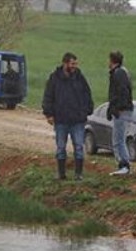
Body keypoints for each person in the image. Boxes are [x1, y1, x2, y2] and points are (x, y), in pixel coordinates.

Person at [42, 52, 94, 180]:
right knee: (60, 147)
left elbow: (87, 95)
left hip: (77, 120)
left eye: (76, 64)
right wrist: (49, 114)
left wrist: (87, 111)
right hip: (61, 120)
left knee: (78, 147)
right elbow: (48, 96)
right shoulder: (54, 78)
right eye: (72, 63)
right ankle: (61, 173)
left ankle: (78, 174)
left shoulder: (80, 78)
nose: (74, 66)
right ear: (65, 63)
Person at [107, 51, 134, 176]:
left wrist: (117, 108)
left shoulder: (119, 73)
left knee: (119, 139)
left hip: (122, 111)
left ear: (113, 61)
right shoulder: (122, 72)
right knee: (118, 138)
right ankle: (123, 164)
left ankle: (124, 165)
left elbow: (122, 92)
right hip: (123, 109)